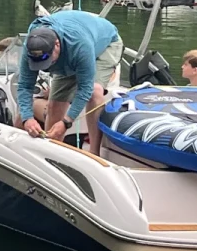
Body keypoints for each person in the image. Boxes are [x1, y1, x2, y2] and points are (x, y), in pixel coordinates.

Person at [17, 10, 123, 156]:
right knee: (54, 106)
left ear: (56, 45)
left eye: (47, 60)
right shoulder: (31, 46)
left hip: (105, 44)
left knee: (94, 91)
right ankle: (50, 153)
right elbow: (24, 86)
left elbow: (85, 89)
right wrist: (27, 118)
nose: (44, 66)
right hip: (68, 57)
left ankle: (94, 152)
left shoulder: (80, 45)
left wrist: (67, 122)